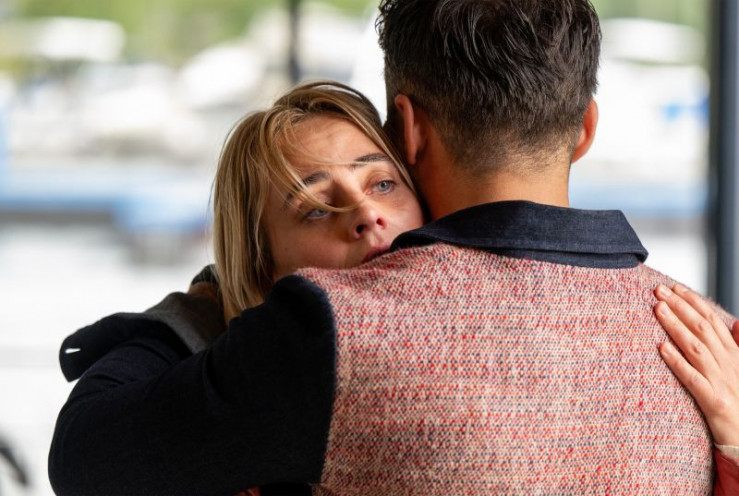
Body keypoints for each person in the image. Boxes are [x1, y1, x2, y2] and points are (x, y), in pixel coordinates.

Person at [49, 0, 739, 494]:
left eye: (380, 181)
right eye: (315, 203)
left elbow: (86, 454)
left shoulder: (325, 331)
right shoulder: (712, 341)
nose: (364, 216)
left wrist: (199, 310)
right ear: (585, 128)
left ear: (407, 131)